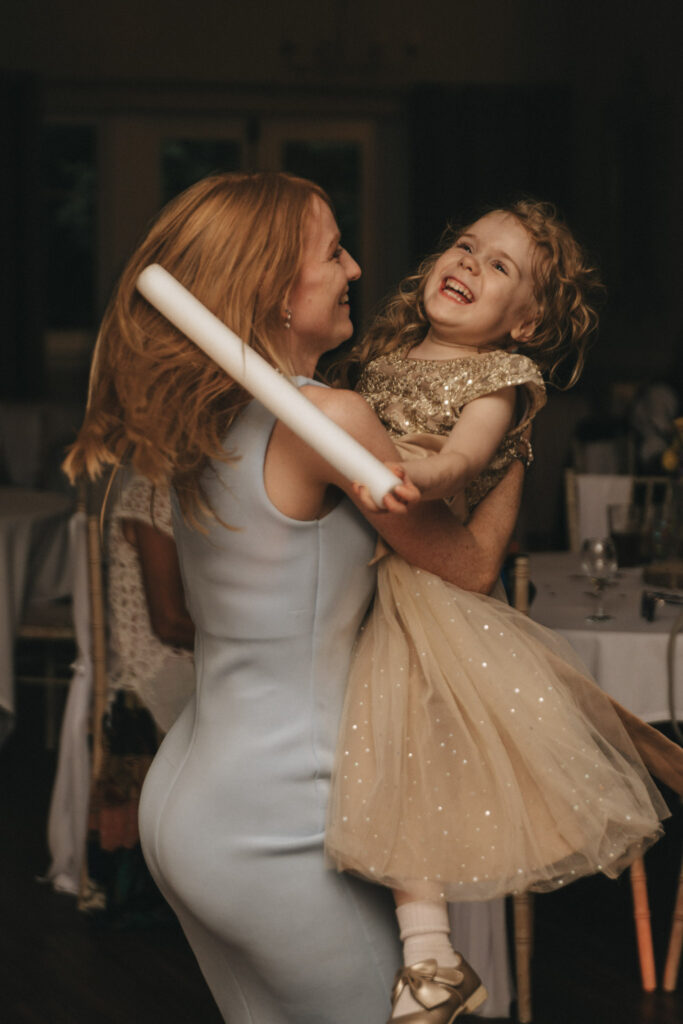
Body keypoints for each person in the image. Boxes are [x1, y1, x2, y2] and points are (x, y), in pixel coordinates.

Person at [62, 171, 528, 1024]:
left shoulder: (212, 406)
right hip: (279, 815)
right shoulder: (331, 421)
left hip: (192, 795)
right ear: (279, 290)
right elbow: (467, 568)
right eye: (333, 252)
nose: (354, 269)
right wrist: (518, 442)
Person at [324, 202, 683, 1021]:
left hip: (423, 597)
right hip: (363, 579)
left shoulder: (501, 382)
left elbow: (463, 455)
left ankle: (427, 957)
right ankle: (436, 962)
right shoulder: (377, 358)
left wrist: (427, 478)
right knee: (380, 762)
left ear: (523, 325)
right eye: (464, 246)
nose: (468, 264)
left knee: (400, 762)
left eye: (499, 268)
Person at [79, 472, 195, 925]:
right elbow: (168, 623)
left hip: (187, 651)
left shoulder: (189, 491)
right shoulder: (152, 494)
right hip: (156, 665)